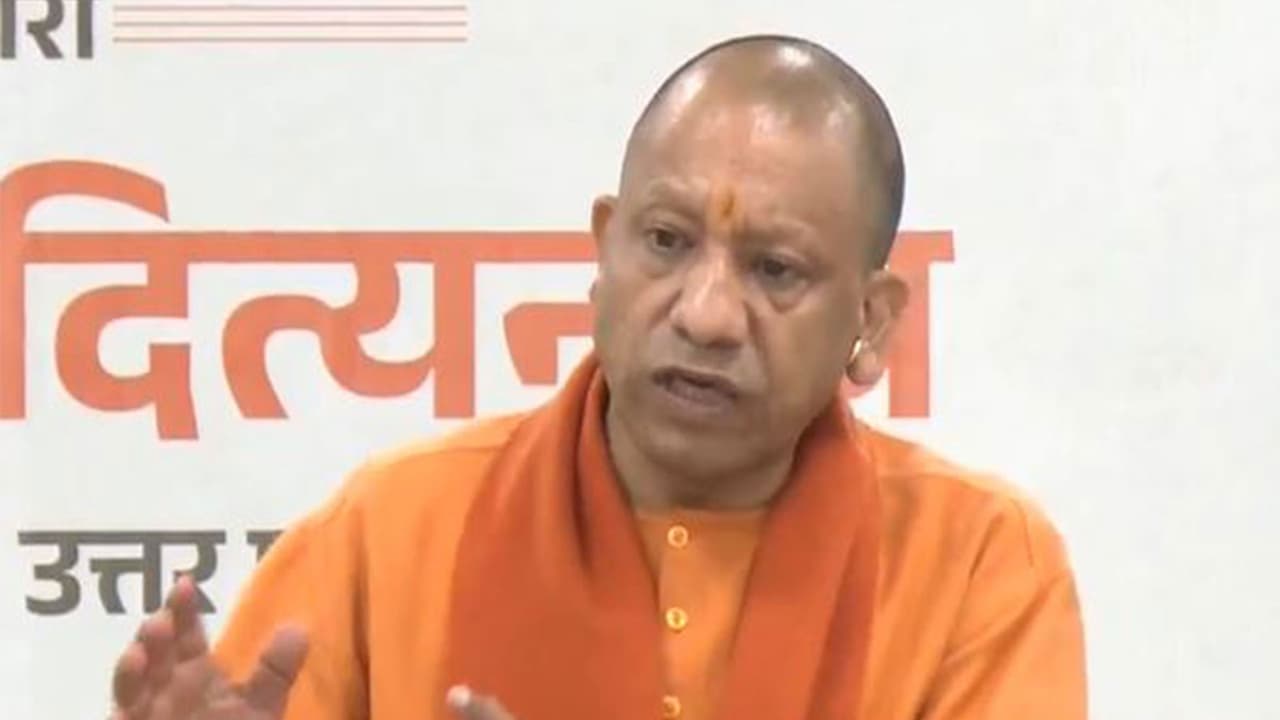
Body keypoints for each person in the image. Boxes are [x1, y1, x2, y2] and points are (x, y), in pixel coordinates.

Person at [107, 34, 1087, 720]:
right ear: (603, 249)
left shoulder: (976, 562)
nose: (704, 313)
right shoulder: (395, 526)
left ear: (869, 324)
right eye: (665, 241)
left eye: (773, 269)